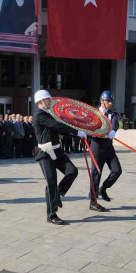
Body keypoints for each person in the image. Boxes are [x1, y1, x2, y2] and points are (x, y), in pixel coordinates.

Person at [33, 90, 84, 225]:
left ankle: (58, 194)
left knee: (72, 171)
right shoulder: (39, 115)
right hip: (45, 154)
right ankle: (51, 214)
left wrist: (78, 131)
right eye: (48, 99)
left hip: (57, 151)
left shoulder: (49, 114)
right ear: (40, 101)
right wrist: (76, 132)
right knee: (51, 182)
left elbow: (60, 127)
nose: (50, 101)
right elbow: (57, 126)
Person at [89, 90, 122, 212]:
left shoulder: (112, 114)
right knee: (96, 173)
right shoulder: (94, 113)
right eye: (108, 101)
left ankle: (103, 188)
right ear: (102, 101)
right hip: (96, 146)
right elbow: (89, 125)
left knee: (117, 170)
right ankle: (93, 201)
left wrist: (113, 130)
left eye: (111, 102)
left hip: (108, 147)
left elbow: (115, 123)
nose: (110, 104)